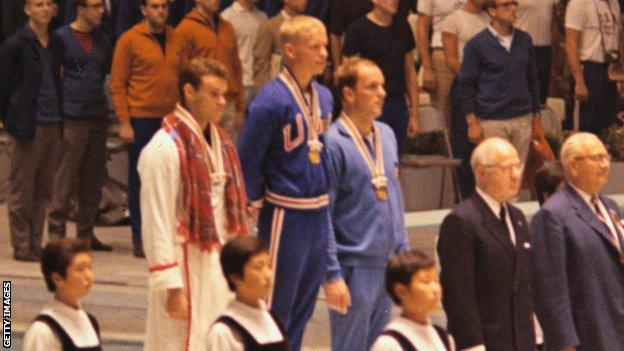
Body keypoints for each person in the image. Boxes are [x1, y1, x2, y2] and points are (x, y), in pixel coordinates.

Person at [138, 57, 248, 351]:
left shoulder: (222, 144)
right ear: (189, 91)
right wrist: (170, 286)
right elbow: (156, 222)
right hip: (183, 268)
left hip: (216, 265)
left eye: (224, 94)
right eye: (213, 93)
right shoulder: (162, 148)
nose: (222, 102)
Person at [237, 15, 333, 351]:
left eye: (325, 46)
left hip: (318, 212)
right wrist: (254, 203)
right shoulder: (270, 101)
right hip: (285, 214)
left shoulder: (325, 96)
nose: (324, 53)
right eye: (315, 47)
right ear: (290, 51)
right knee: (276, 308)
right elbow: (246, 158)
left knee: (304, 309)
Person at [323, 57, 410, 351]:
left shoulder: (386, 134)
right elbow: (324, 214)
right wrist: (332, 274)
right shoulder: (332, 143)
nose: (382, 93)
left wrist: (404, 256)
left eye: (382, 86)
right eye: (372, 86)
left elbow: (394, 196)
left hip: (387, 265)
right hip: (353, 268)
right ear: (348, 94)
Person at [437, 137, 535, 351]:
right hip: (485, 342)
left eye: (517, 166)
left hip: (521, 341)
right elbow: (457, 294)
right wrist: (472, 344)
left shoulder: (517, 217)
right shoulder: (461, 221)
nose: (516, 175)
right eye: (506, 168)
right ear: (481, 173)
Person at [531, 133, 624, 351]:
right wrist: (565, 344)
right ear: (572, 166)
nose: (604, 164)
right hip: (589, 334)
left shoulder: (610, 207)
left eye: (606, 157)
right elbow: (550, 289)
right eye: (596, 158)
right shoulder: (552, 214)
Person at [109, 0, 178, 257]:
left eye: (164, 7)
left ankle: (165, 237)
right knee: (141, 181)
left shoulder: (176, 38)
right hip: (141, 119)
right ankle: (140, 238)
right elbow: (117, 84)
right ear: (143, 10)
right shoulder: (129, 39)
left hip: (170, 120)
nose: (160, 11)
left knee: (170, 179)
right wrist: (124, 122)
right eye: (155, 6)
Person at [0, 0, 64, 262]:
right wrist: (7, 119)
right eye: (39, 5)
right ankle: (22, 245)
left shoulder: (58, 45)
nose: (45, 9)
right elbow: (4, 85)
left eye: (48, 5)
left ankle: (38, 244)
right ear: (27, 10)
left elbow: (71, 70)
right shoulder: (15, 45)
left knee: (44, 189)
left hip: (53, 122)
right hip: (27, 125)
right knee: (22, 190)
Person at [48, 0, 113, 252]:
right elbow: (61, 71)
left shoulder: (102, 40)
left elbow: (99, 69)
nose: (101, 11)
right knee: (65, 177)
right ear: (80, 8)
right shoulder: (62, 39)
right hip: (71, 115)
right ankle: (56, 233)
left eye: (101, 7)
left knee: (92, 179)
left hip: (97, 113)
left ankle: (86, 233)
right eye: (95, 6)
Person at [460, 0, 540, 164]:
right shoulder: (476, 45)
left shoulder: (525, 39)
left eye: (513, 4)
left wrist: (536, 117)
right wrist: (472, 122)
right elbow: (467, 85)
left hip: (522, 118)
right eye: (506, 5)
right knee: (496, 175)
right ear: (492, 11)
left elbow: (532, 79)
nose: (512, 9)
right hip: (492, 120)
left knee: (516, 177)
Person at [342, 0, 420, 156]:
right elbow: (348, 77)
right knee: (369, 159)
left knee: (394, 162)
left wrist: (414, 114)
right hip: (368, 105)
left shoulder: (402, 27)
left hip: (397, 104)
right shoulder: (357, 30)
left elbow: (410, 72)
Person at [167, 0, 245, 142]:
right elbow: (179, 74)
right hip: (202, 105)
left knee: (226, 154)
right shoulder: (185, 29)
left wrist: (240, 106)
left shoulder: (227, 27)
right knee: (203, 153)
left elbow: (237, 68)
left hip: (228, 104)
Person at [439, 0, 488, 197]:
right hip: (465, 88)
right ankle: (467, 199)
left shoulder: (490, 19)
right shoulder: (453, 20)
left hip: (490, 92)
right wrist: (477, 77)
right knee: (465, 147)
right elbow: (451, 60)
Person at [207, 236, 288, 350]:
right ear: (236, 278)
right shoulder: (224, 331)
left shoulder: (273, 319)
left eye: (269, 266)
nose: (268, 275)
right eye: (259, 267)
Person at [23, 238, 101, 350]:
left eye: (89, 267)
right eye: (80, 269)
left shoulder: (90, 321)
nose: (89, 276)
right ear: (57, 279)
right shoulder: (42, 330)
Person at [371, 249, 453, 351]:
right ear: (401, 291)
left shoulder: (444, 337)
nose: (435, 289)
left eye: (436, 281)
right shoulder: (388, 344)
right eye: (426, 282)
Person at [565, 0, 621, 134]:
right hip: (588, 68)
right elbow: (571, 43)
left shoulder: (614, 3)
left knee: (608, 128)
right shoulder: (579, 3)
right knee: (586, 128)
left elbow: (617, 37)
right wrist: (579, 81)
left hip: (609, 68)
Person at [417, 0, 465, 128]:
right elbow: (422, 25)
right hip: (441, 53)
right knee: (442, 117)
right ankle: (446, 147)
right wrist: (427, 67)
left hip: (472, 53)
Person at [252, 0, 307, 90]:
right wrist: (266, 96)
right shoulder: (269, 27)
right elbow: (261, 70)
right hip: (278, 92)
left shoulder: (309, 27)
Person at [221, 0, 267, 103]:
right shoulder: (226, 18)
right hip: (240, 86)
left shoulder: (263, 17)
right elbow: (225, 57)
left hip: (260, 85)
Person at [515, 0, 558, 105]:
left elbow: (555, 20)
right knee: (520, 93)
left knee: (540, 95)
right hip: (520, 47)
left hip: (544, 49)